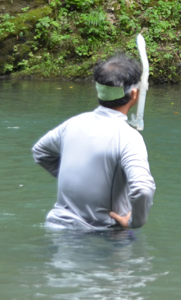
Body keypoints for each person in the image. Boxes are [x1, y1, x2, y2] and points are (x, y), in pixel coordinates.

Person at [32, 54, 156, 230]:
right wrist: (133, 222)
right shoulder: (128, 137)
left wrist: (78, 181)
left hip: (56, 225)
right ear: (134, 94)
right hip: (101, 237)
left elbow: (40, 152)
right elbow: (142, 189)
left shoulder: (73, 123)